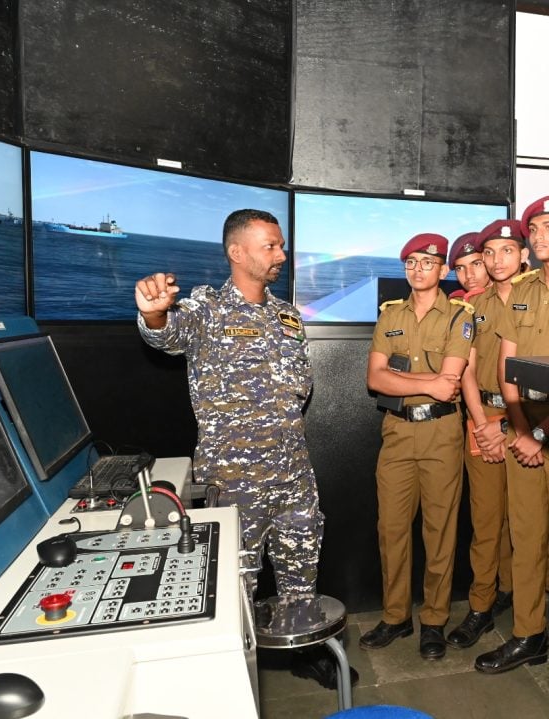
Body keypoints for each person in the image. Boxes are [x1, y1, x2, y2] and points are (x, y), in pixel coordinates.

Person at [135, 208, 339, 685]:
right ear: (236, 252)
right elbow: (165, 335)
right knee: (234, 584)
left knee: (299, 571)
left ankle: (303, 653)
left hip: (292, 472)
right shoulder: (204, 310)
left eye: (281, 245)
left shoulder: (288, 317)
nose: (281, 255)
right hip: (234, 480)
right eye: (270, 246)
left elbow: (299, 386)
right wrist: (153, 311)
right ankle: (235, 677)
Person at [476, 195, 549, 701]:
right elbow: (507, 364)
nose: (541, 236)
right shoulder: (520, 291)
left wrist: (540, 435)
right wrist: (520, 428)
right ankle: (528, 635)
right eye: (535, 228)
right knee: (525, 542)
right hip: (522, 424)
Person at [362, 233, 473, 660]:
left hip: (441, 434)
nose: (418, 269)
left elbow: (450, 387)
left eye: (428, 263)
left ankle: (433, 620)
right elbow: (376, 379)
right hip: (396, 432)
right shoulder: (390, 315)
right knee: (391, 529)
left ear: (443, 270)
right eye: (411, 262)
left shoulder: (459, 317)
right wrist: (427, 382)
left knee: (439, 531)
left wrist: (410, 380)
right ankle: (395, 616)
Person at [446, 221, 525, 650]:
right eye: (465, 267)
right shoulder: (472, 308)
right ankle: (481, 603)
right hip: (483, 415)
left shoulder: (534, 298)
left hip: (529, 418)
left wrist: (508, 426)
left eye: (482, 261)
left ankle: (526, 603)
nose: (478, 271)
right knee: (486, 519)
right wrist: (481, 425)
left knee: (528, 523)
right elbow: (468, 372)